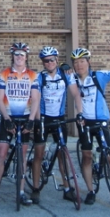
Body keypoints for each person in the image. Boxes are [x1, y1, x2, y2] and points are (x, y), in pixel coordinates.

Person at [71, 43, 110, 207]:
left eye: (82, 61)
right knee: (87, 157)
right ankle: (90, 191)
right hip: (84, 122)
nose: (79, 65)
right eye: (76, 62)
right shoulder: (72, 79)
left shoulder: (98, 76)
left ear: (88, 62)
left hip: (100, 121)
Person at [0, 42, 40, 206]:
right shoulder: (4, 74)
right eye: (16, 55)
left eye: (22, 55)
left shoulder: (33, 75)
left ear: (26, 57)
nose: (19, 57)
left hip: (25, 117)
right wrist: (6, 119)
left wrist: (31, 120)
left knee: (23, 157)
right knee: (2, 154)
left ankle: (22, 191)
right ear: (13, 56)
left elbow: (36, 98)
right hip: (8, 116)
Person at [31, 46, 83, 205]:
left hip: (60, 119)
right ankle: (35, 189)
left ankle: (67, 189)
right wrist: (38, 120)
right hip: (44, 119)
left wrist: (79, 113)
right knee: (38, 155)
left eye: (52, 60)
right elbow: (36, 99)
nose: (49, 63)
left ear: (57, 60)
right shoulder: (39, 77)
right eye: (46, 61)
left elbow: (76, 94)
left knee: (62, 154)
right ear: (43, 63)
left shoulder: (66, 75)